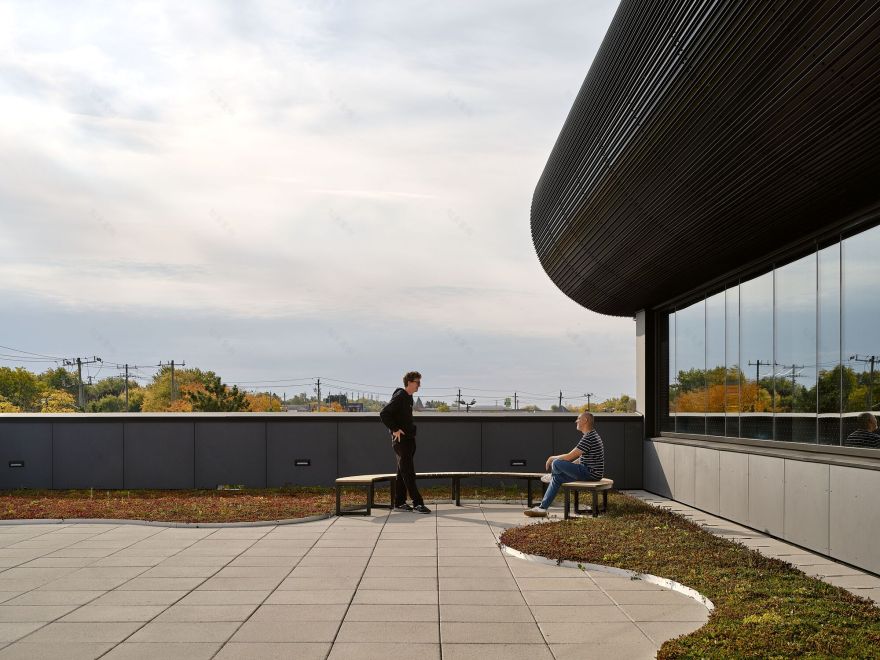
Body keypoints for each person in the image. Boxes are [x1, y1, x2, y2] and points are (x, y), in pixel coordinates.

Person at [525, 411, 604, 517]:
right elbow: (580, 459)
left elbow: (569, 456)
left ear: (585, 420)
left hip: (589, 473)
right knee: (557, 478)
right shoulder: (592, 435)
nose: (576, 421)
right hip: (589, 472)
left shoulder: (589, 437)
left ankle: (553, 474)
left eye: (578, 418)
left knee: (556, 463)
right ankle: (542, 508)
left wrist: (551, 458)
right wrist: (566, 467)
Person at [380, 371, 431, 514]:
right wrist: (395, 429)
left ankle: (399, 502)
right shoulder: (400, 396)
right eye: (417, 382)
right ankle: (417, 503)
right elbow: (384, 413)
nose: (419, 386)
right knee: (408, 472)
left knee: (402, 472)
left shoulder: (409, 398)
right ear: (409, 382)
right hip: (401, 441)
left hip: (409, 440)